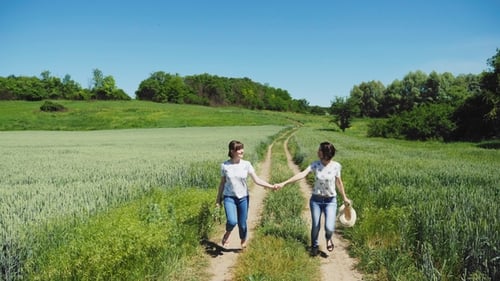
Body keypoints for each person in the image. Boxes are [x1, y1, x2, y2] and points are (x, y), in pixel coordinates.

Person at [276, 141, 351, 256]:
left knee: (329, 228)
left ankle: (328, 238)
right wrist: (284, 183)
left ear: (325, 153)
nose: (317, 151)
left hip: (330, 201)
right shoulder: (315, 165)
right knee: (316, 225)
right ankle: (314, 246)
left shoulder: (336, 166)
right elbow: (302, 174)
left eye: (319, 150)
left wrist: (345, 197)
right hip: (316, 200)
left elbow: (339, 183)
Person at [215, 140, 275, 249]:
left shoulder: (246, 164)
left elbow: (256, 180)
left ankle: (243, 240)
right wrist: (218, 200)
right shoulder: (225, 165)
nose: (242, 151)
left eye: (242, 148)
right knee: (232, 221)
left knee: (242, 224)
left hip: (243, 198)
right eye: (239, 149)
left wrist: (271, 186)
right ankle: (227, 234)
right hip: (229, 198)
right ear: (232, 151)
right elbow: (222, 184)